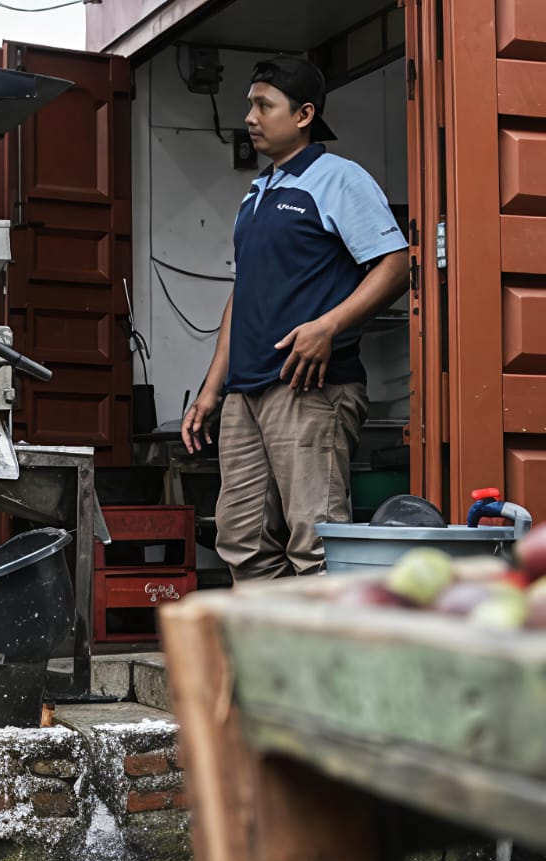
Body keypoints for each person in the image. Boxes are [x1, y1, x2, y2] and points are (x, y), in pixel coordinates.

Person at [180, 57, 410, 582]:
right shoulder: (255, 194)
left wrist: (328, 326)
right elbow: (244, 294)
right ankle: (272, 659)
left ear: (304, 114)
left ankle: (326, 662)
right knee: (241, 538)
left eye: (264, 105)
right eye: (250, 105)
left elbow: (396, 265)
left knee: (317, 542)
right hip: (247, 392)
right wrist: (213, 390)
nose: (251, 117)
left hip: (311, 390)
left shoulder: (338, 179)